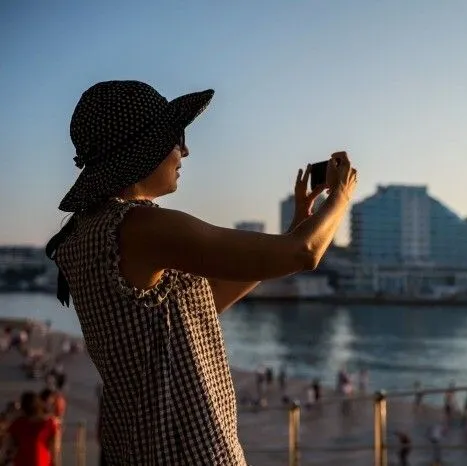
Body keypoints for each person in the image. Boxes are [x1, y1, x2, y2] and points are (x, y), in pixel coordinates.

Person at [44, 80, 357, 465]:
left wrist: (294, 229)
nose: (185, 151)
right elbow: (306, 253)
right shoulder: (140, 227)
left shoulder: (86, 231)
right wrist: (340, 198)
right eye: (177, 139)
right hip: (185, 446)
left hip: (133, 444)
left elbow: (201, 308)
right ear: (145, 146)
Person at [0, 391, 59, 466]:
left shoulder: (18, 424)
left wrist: (1, 461)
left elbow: (6, 446)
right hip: (42, 462)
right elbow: (54, 450)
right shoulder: (49, 424)